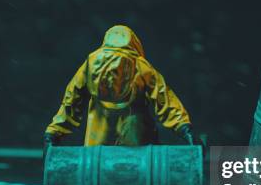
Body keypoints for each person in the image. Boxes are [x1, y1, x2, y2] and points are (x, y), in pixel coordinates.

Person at [44, 25, 196, 149]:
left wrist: (53, 133)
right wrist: (184, 129)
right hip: (135, 135)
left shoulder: (91, 62)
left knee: (99, 177)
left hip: (98, 137)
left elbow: (72, 98)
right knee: (136, 177)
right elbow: (164, 98)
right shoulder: (140, 65)